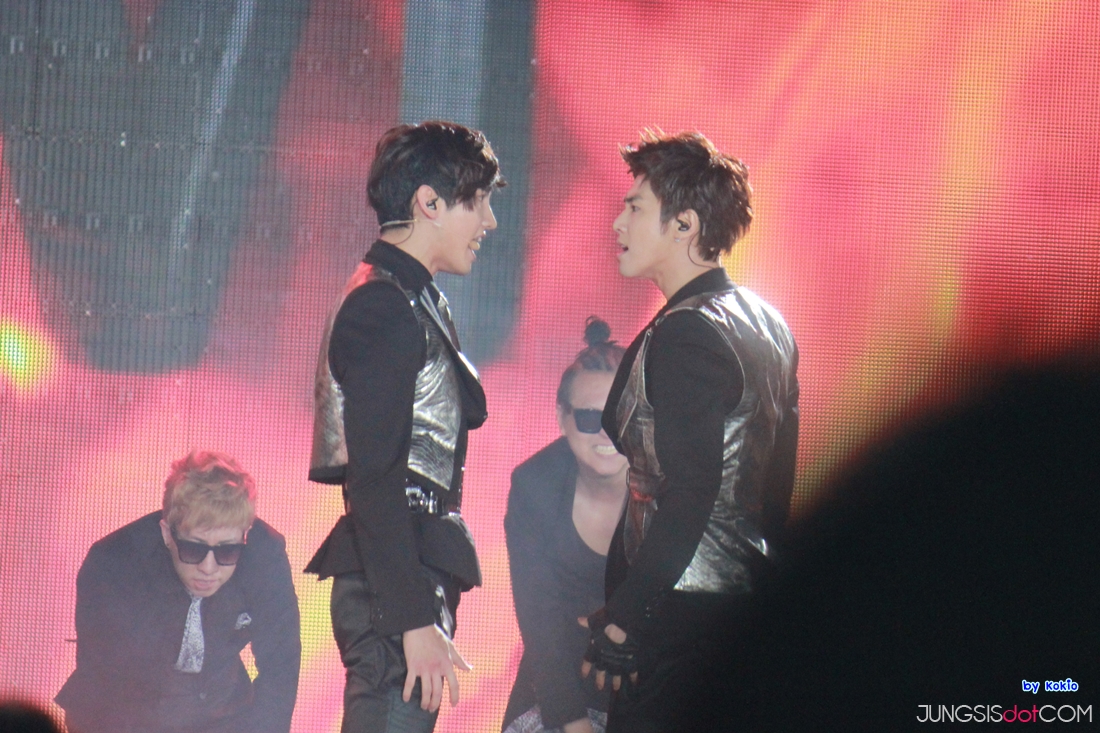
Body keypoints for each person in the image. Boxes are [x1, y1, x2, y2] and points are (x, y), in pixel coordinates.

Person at [583, 130, 800, 732]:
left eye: (634, 207)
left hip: (674, 615)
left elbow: (691, 491)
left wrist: (626, 617)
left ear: (684, 225)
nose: (619, 223)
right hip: (732, 610)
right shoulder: (768, 322)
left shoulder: (686, 333)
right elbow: (777, 487)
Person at [306, 121, 503, 732]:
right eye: (478, 201)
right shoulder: (383, 304)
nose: (490, 222)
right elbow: (374, 478)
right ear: (429, 203)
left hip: (405, 575)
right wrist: (413, 617)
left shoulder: (411, 297)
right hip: (394, 585)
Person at [55, 450, 301, 733]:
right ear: (166, 533)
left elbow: (280, 664)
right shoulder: (115, 564)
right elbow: (105, 680)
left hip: (222, 711)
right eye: (193, 549)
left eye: (228, 551)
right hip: (127, 711)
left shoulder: (265, 555)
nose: (208, 568)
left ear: (245, 534)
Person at [503, 318, 628, 733]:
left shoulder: (672, 490)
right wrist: (571, 722)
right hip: (556, 694)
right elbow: (539, 621)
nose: (607, 434)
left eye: (620, 416)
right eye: (591, 418)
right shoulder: (533, 485)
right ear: (562, 417)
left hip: (646, 693)